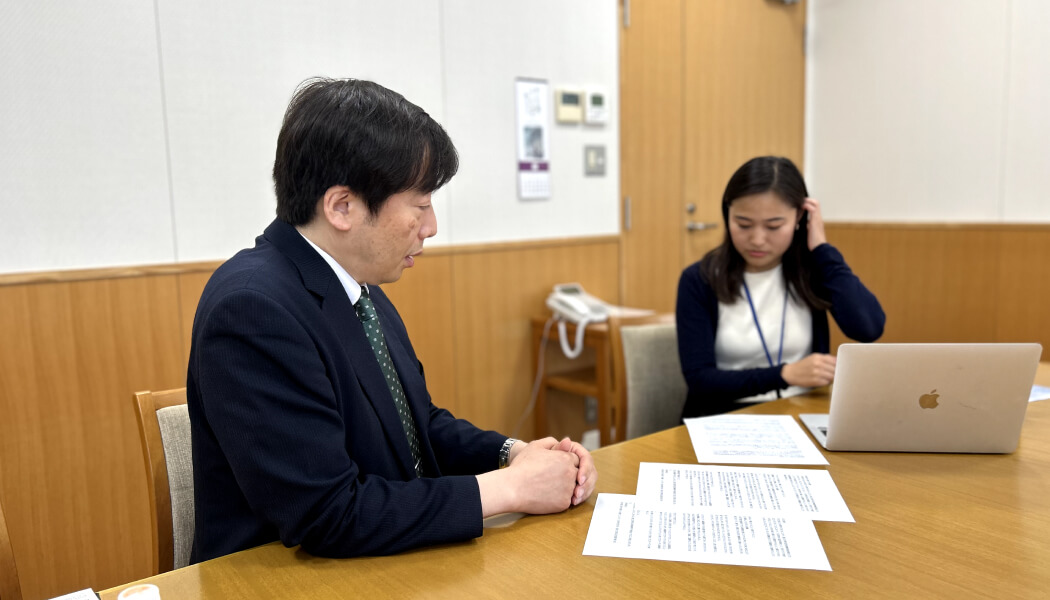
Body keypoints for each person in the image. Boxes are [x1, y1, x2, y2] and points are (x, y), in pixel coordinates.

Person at [187, 78, 597, 563]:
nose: (432, 226)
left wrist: (513, 453)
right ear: (343, 207)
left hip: (385, 558)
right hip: (278, 578)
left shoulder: (358, 285)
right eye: (420, 205)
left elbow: (418, 426)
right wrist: (509, 489)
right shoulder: (252, 310)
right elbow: (329, 514)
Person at [676, 156, 885, 418]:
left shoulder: (812, 272)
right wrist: (785, 374)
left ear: (800, 217)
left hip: (804, 414)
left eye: (774, 226)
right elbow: (700, 380)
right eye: (743, 224)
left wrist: (822, 249)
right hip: (722, 418)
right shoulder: (700, 279)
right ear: (727, 213)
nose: (757, 239)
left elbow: (868, 328)